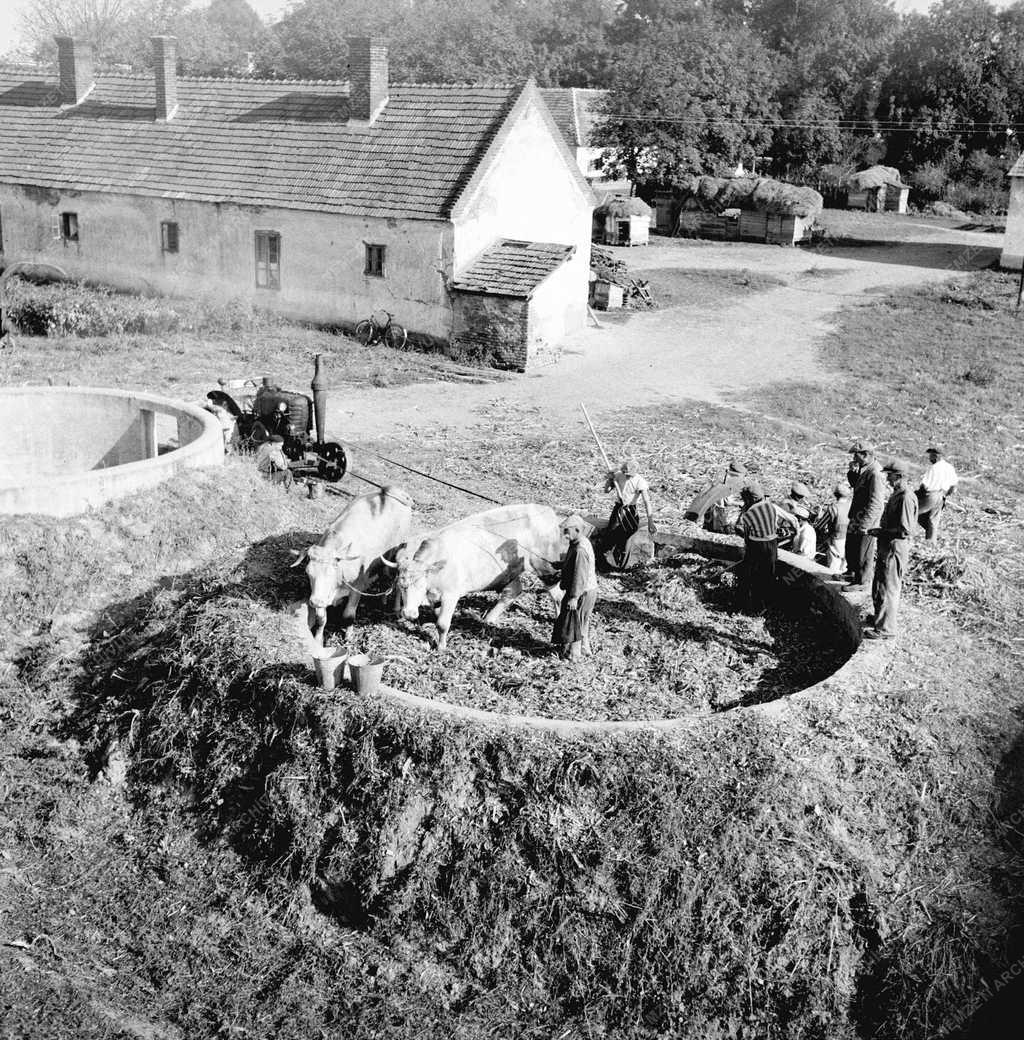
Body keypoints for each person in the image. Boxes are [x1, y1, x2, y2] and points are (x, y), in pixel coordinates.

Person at [864, 460, 918, 639]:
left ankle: (886, 629)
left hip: (894, 548)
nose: (887, 479)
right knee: (880, 585)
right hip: (887, 546)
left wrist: (881, 532)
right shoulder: (898, 494)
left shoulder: (905, 497)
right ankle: (880, 619)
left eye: (890, 475)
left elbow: (905, 530)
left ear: (900, 476)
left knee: (889, 588)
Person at [734, 482, 791, 611]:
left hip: (757, 546)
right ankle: (767, 603)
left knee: (752, 575)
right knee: (768, 574)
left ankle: (752, 605)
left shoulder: (748, 514)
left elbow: (746, 535)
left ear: (749, 499)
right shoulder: (771, 507)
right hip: (772, 545)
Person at [843, 441, 887, 592]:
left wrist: (866, 524)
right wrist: (852, 473)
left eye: (856, 455)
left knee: (863, 551)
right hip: (857, 515)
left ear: (866, 455)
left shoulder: (875, 473)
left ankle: (862, 581)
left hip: (866, 518)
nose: (854, 458)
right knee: (852, 546)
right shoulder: (865, 468)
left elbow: (876, 502)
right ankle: (852, 573)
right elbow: (857, 487)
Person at [553, 514, 598, 661]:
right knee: (582, 621)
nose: (565, 535)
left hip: (582, 592)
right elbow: (573, 565)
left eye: (567, 531)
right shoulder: (580, 542)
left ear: (577, 530)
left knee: (574, 622)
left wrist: (574, 597)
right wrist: (560, 565)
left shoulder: (580, 549)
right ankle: (585, 648)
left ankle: (574, 654)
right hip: (588, 590)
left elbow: (580, 576)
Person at [600, 458, 655, 569]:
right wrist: (610, 480)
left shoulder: (640, 481)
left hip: (630, 510)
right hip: (619, 508)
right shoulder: (619, 475)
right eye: (626, 474)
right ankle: (605, 561)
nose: (627, 476)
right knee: (610, 534)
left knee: (627, 535)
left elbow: (646, 501)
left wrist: (650, 521)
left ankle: (622, 562)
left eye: (630, 475)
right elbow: (607, 490)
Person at [684, 461, 747, 532]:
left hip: (709, 510)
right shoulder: (727, 485)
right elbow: (728, 502)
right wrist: (741, 504)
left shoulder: (719, 481)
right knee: (718, 531)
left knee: (708, 528)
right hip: (717, 512)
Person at [916, 447, 958, 542]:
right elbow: (954, 485)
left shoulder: (934, 468)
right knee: (933, 520)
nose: (929, 458)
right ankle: (931, 542)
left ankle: (906, 535)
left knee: (913, 513)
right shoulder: (949, 467)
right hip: (941, 496)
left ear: (936, 456)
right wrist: (946, 495)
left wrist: (917, 495)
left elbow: (924, 485)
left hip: (931, 495)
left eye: (931, 456)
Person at [814, 484, 852, 573]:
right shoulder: (851, 506)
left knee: (834, 564)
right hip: (850, 537)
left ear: (835, 495)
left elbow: (820, 526)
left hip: (837, 539)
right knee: (845, 565)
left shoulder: (833, 508)